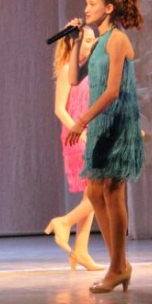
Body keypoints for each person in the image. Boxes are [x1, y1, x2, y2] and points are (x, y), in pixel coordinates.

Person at [64, 0, 144, 293]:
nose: (86, 9)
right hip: (100, 124)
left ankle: (117, 267)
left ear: (108, 8)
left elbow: (112, 91)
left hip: (118, 123)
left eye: (92, 3)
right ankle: (119, 265)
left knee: (112, 191)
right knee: (95, 193)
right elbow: (74, 78)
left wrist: (81, 121)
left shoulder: (118, 39)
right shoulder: (97, 42)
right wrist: (75, 43)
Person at [44, 26, 104, 271]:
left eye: (93, 40)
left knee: (92, 193)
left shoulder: (90, 70)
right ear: (73, 43)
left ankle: (80, 250)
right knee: (101, 191)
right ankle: (64, 222)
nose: (92, 44)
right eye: (87, 40)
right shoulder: (68, 69)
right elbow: (59, 109)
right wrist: (81, 133)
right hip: (77, 136)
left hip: (91, 133)